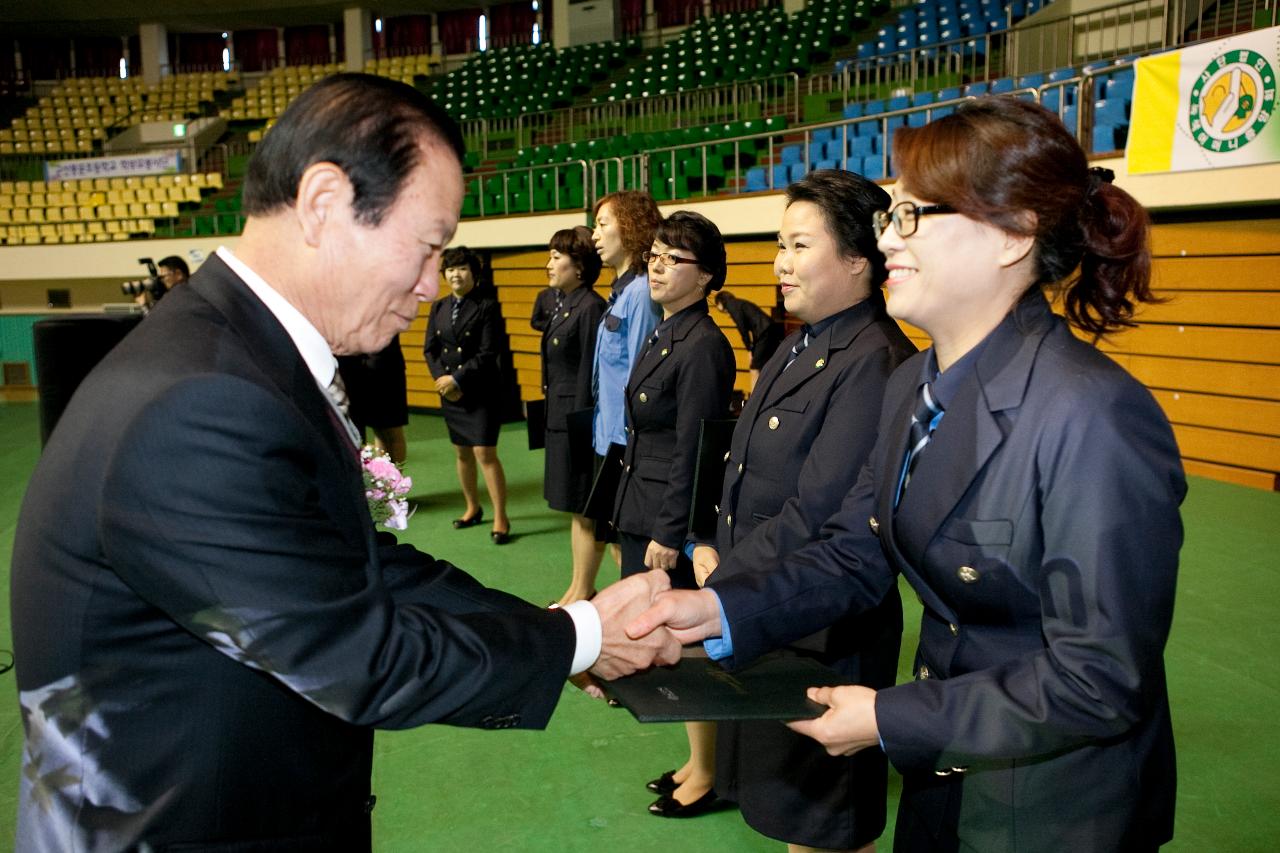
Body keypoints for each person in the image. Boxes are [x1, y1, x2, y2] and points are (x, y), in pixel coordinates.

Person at [10, 73, 680, 849]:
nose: (432, 285)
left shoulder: (237, 355)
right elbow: (358, 657)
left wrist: (556, 627)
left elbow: (352, 564)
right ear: (325, 203)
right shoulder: (200, 398)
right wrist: (581, 638)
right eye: (427, 245)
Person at [630, 97, 1185, 852]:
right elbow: (855, 551)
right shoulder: (913, 383)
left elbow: (1098, 676)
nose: (888, 236)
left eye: (914, 214)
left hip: (1054, 808)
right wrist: (718, 612)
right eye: (890, 214)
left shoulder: (1094, 415)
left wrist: (891, 718)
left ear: (1014, 234)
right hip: (949, 775)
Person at [680, 170, 915, 851]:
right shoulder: (800, 341)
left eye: (799, 245)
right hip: (768, 608)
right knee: (793, 822)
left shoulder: (873, 360)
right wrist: (707, 543)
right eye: (780, 244)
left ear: (857, 259)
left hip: (822, 632)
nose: (780, 262)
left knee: (823, 827)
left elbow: (813, 513)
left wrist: (719, 590)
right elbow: (745, 470)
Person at [611, 211, 736, 818]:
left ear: (707, 276)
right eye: (655, 255)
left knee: (683, 648)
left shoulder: (703, 344)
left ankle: (709, 773)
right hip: (642, 502)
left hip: (669, 517)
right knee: (664, 640)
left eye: (673, 259)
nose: (657, 266)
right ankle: (695, 759)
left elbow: (696, 448)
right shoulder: (666, 331)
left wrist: (673, 533)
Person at [571, 191, 662, 599]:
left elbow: (639, 381)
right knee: (606, 528)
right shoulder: (621, 289)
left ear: (631, 227)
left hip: (623, 441)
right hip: (605, 433)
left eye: (604, 224)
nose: (595, 235)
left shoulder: (641, 293)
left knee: (622, 536)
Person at [538, 227, 609, 606]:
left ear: (579, 265)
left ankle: (583, 590)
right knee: (576, 508)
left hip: (576, 423)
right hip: (559, 418)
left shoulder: (590, 307)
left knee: (586, 506)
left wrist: (580, 430)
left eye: (556, 257)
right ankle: (578, 587)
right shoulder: (565, 303)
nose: (549, 264)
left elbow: (588, 375)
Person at [425, 246, 512, 544]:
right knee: (461, 451)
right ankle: (472, 507)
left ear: (474, 273)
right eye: (450, 269)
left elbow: (489, 352)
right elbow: (430, 349)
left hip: (480, 391)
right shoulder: (438, 307)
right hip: (449, 393)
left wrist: (457, 379)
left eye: (462, 268)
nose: (455, 274)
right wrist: (441, 379)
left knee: (484, 453)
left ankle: (501, 517)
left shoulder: (487, 306)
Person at [337, 334, 409, 463]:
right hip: (350, 370)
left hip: (384, 369)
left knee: (391, 429)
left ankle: (397, 480)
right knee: (374, 431)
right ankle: (382, 477)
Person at [712, 290, 783, 391]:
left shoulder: (732, 305)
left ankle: (753, 399)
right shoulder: (739, 303)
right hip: (768, 330)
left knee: (754, 368)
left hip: (764, 332)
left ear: (720, 302)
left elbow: (743, 330)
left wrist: (749, 350)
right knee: (768, 365)